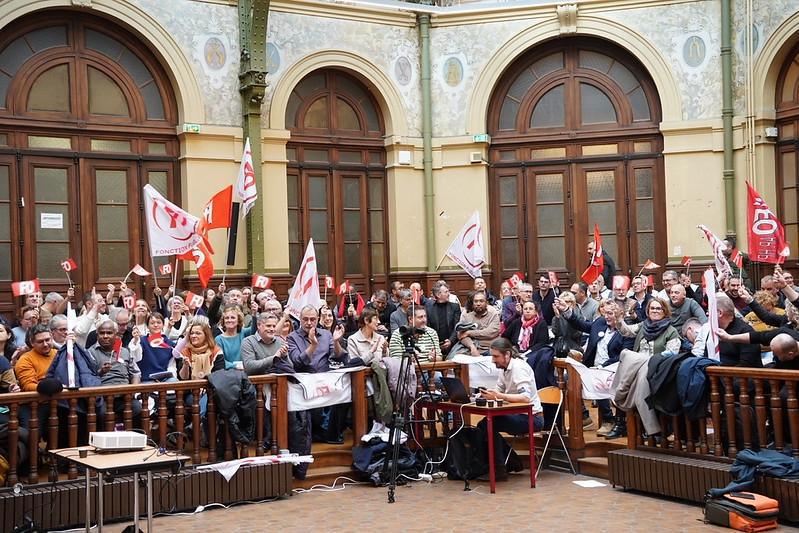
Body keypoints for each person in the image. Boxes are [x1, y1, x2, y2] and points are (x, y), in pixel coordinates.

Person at [477, 337, 544, 481]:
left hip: (533, 418)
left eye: (496, 356)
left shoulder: (519, 368)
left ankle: (500, 469)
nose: (493, 360)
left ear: (507, 355)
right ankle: (509, 462)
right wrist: (486, 394)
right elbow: (498, 390)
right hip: (517, 415)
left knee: (488, 424)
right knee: (486, 424)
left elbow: (525, 398)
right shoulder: (503, 368)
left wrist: (498, 396)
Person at [87, 319, 142, 422]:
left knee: (138, 408)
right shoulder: (90, 353)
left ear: (116, 334)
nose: (105, 336)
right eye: (102, 333)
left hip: (124, 396)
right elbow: (87, 378)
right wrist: (101, 372)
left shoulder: (125, 351)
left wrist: (133, 390)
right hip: (102, 397)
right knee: (102, 414)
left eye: (109, 333)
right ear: (97, 334)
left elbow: (135, 373)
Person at [616, 297, 681, 356]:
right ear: (648, 310)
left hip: (657, 366)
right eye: (652, 308)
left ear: (665, 311)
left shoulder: (672, 332)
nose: (655, 311)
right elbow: (627, 331)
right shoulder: (643, 325)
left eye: (658, 309)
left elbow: (671, 355)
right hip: (638, 364)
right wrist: (619, 319)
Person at [715, 293, 762, 368]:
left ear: (720, 313)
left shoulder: (745, 331)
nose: (707, 313)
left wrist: (724, 374)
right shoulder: (712, 330)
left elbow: (746, 365)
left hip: (742, 377)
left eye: (710, 311)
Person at [130, 312, 178, 381]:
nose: (156, 325)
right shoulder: (142, 341)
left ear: (163, 325)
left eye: (158, 323)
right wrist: (136, 340)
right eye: (152, 323)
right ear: (147, 326)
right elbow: (136, 358)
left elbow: (171, 365)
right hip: (147, 379)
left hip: (165, 379)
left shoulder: (168, 343)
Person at [452, 290, 500, 357]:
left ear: (486, 303)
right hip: (469, 348)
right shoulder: (466, 313)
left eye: (481, 301)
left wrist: (469, 333)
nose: (478, 304)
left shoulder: (492, 312)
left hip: (490, 348)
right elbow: (461, 335)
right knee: (454, 358)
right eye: (476, 301)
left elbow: (491, 332)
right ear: (472, 303)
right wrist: (472, 347)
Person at [214, 304, 258, 370]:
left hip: (247, 372)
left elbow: (254, 329)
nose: (229, 320)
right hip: (229, 374)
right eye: (226, 318)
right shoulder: (219, 339)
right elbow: (219, 360)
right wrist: (235, 366)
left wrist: (254, 315)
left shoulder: (244, 333)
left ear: (238, 320)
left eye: (233, 318)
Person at [14, 324, 57, 391]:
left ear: (52, 338)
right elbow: (28, 386)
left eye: (47, 340)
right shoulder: (25, 360)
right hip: (43, 398)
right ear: (32, 342)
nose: (45, 344)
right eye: (40, 341)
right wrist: (51, 387)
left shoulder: (58, 354)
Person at [425, 283, 461, 356]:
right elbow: (428, 328)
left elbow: (457, 326)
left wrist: (451, 340)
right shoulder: (429, 309)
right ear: (438, 295)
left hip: (453, 344)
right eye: (446, 292)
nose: (449, 294)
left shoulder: (455, 307)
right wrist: (436, 344)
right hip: (435, 345)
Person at [550, 291, 584, 358]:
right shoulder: (556, 317)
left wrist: (569, 318)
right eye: (564, 301)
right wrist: (558, 317)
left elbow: (576, 334)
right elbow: (557, 333)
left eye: (569, 301)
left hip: (573, 348)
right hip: (559, 348)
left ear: (573, 303)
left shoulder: (578, 316)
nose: (567, 304)